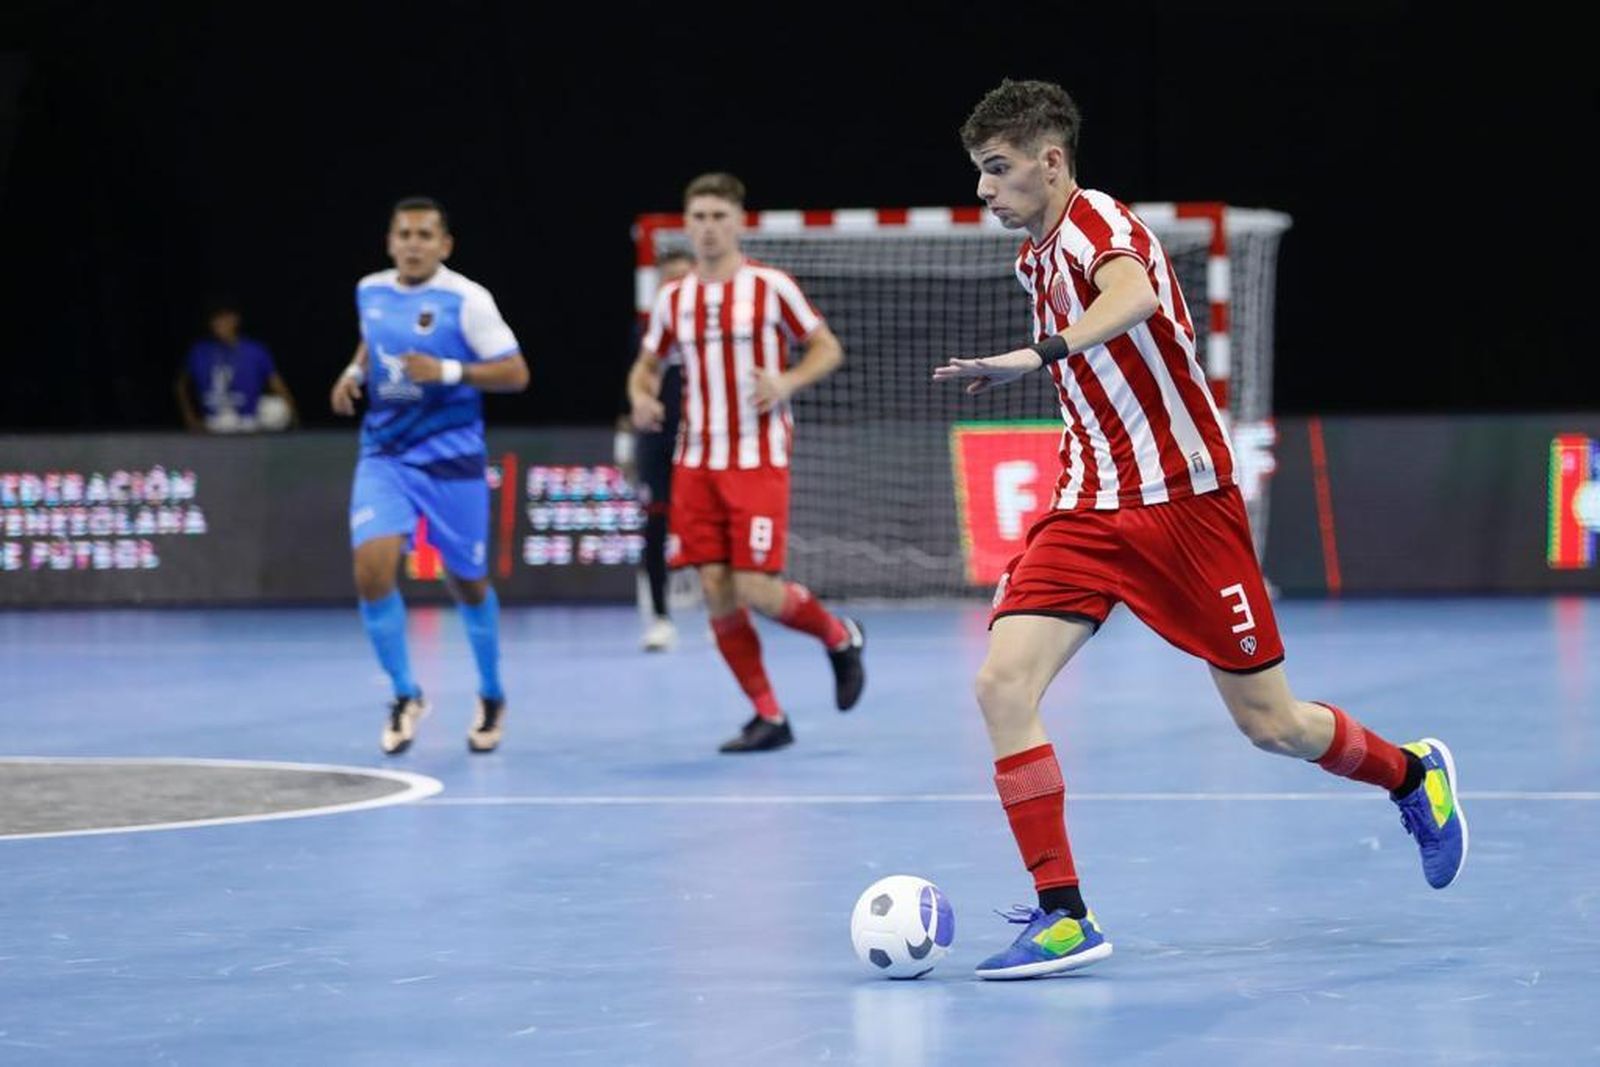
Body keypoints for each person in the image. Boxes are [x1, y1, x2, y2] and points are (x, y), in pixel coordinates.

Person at [933, 80, 1466, 980]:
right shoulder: (1033, 260)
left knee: (1273, 723)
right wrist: (1041, 536)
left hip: (1187, 508)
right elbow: (1097, 404)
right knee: (1000, 684)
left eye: (998, 169)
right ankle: (1065, 912)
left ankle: (1413, 775)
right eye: (979, 172)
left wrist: (1036, 354)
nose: (984, 190)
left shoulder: (1097, 219)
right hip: (1092, 506)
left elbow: (1134, 297)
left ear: (1050, 161)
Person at [627, 172, 867, 753]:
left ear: (738, 222)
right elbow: (647, 364)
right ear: (686, 226)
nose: (708, 228)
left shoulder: (770, 286)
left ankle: (839, 637)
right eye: (699, 218)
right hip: (695, 460)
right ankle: (769, 715)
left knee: (758, 588)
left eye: (718, 217)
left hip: (756, 457)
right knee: (715, 588)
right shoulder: (673, 298)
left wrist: (786, 381)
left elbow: (827, 348)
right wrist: (639, 393)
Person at [329, 196, 530, 756]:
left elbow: (516, 373)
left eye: (425, 235)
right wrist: (353, 371)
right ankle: (404, 694)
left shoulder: (468, 300)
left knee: (466, 581)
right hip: (384, 456)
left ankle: (491, 693)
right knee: (372, 572)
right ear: (391, 242)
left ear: (445, 245)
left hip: (453, 461)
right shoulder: (369, 290)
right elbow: (374, 337)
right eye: (404, 234)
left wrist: (445, 371)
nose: (414, 243)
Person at [617, 247, 695, 652]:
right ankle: (662, 618)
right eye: (669, 279)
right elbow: (632, 385)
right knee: (654, 527)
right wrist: (627, 440)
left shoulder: (711, 330)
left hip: (702, 440)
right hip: (655, 442)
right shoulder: (646, 333)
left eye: (684, 278)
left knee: (707, 529)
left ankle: (724, 613)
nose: (675, 287)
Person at [175, 301, 298, 433]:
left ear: (235, 319)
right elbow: (181, 385)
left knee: (275, 408)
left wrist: (294, 417)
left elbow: (277, 384)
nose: (219, 324)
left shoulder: (255, 350)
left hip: (248, 424)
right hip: (214, 424)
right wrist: (190, 419)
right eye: (215, 319)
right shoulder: (199, 351)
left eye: (224, 318)